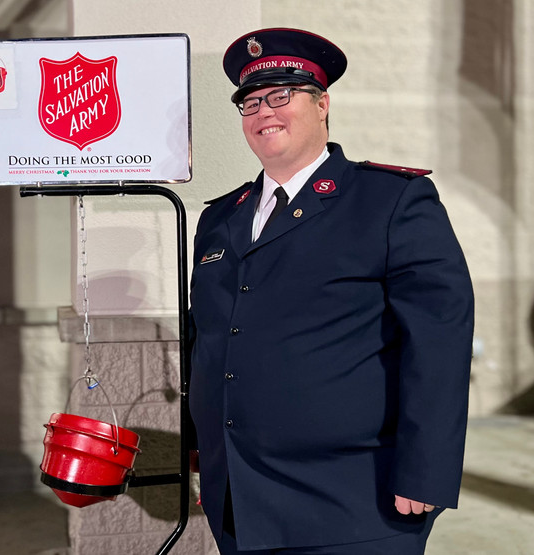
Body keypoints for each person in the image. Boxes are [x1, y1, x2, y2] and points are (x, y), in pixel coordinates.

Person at [188, 28, 475, 554]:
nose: (263, 112)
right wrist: (211, 457)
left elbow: (439, 342)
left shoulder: (390, 201)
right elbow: (209, 342)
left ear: (323, 105)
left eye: (281, 96)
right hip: (240, 496)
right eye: (250, 102)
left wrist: (426, 470)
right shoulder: (219, 219)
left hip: (353, 497)